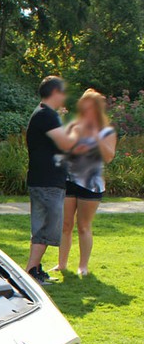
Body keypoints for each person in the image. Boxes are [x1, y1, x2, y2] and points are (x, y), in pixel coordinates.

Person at [54, 89, 117, 276]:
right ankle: (62, 264)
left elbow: (109, 157)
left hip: (91, 183)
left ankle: (83, 266)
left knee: (83, 226)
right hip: (69, 179)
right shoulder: (75, 126)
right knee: (66, 225)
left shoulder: (106, 131)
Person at [24, 76, 79, 285]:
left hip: (43, 180)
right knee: (46, 227)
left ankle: (35, 269)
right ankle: (31, 271)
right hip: (47, 182)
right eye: (63, 92)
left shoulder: (44, 114)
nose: (65, 97)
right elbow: (66, 144)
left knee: (42, 227)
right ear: (55, 92)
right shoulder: (47, 115)